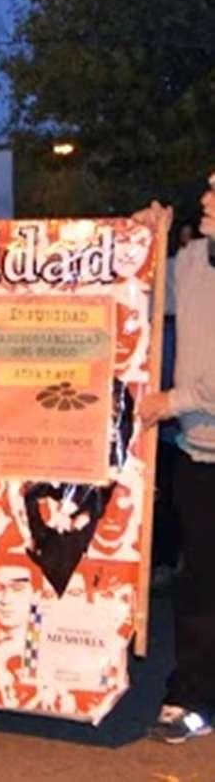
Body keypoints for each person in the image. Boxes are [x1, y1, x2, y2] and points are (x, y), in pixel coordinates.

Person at [136, 183, 215, 743]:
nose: (205, 200)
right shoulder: (190, 261)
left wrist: (172, 402)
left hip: (194, 431)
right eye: (209, 189)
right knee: (200, 583)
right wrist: (140, 242)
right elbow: (140, 296)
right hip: (198, 453)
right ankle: (192, 696)